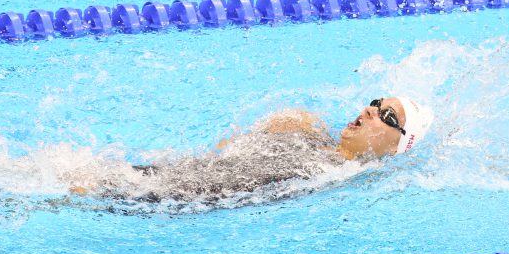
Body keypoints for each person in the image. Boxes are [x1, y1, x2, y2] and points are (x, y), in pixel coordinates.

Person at [65, 96, 435, 205]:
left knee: (71, 185)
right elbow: (229, 147)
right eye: (375, 102)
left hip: (176, 196)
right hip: (184, 174)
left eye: (386, 115)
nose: (371, 110)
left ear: (396, 146)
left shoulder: (343, 178)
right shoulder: (309, 136)